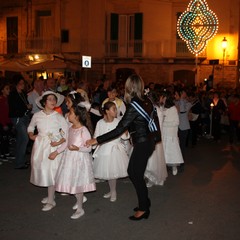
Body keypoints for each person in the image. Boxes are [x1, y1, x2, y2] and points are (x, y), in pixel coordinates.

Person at [86, 74, 156, 221]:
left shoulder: (134, 105)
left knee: (135, 173)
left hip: (143, 143)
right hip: (148, 141)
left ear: (129, 88)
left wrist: (97, 140)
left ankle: (144, 208)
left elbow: (119, 129)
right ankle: (145, 201)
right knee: (134, 172)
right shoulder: (146, 100)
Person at [52, 104, 96, 219]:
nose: (68, 114)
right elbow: (65, 143)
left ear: (77, 116)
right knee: (72, 182)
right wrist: (56, 152)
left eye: (70, 113)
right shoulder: (70, 128)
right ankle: (79, 201)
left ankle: (80, 208)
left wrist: (78, 148)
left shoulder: (84, 130)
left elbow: (89, 148)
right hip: (69, 159)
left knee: (78, 183)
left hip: (79, 160)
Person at [27, 91, 68, 211]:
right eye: (50, 99)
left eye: (54, 99)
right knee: (44, 170)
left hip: (53, 146)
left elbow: (65, 132)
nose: (53, 101)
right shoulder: (37, 115)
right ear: (44, 101)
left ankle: (51, 200)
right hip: (40, 147)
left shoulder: (58, 116)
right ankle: (51, 194)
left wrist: (59, 143)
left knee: (52, 171)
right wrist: (31, 135)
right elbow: (31, 126)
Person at [93, 101, 129, 202]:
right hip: (104, 149)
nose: (116, 111)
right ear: (107, 111)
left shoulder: (118, 122)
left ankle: (113, 191)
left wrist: (126, 132)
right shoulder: (100, 123)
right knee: (108, 173)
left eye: (116, 109)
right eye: (114, 109)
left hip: (115, 150)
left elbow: (124, 137)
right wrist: (93, 145)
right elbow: (96, 136)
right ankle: (111, 190)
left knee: (112, 173)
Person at [8, 75, 32, 169]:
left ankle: (19, 160)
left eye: (23, 83)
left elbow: (24, 104)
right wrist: (26, 107)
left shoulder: (22, 93)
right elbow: (14, 108)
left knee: (20, 139)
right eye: (20, 83)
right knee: (24, 139)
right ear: (16, 84)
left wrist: (27, 107)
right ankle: (19, 163)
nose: (22, 85)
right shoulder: (13, 94)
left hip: (24, 117)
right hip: (18, 118)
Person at [160, 90, 184, 175]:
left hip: (171, 133)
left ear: (165, 98)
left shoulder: (173, 108)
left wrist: (164, 123)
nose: (161, 99)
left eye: (162, 97)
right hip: (163, 133)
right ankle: (164, 167)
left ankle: (174, 166)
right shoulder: (161, 108)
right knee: (164, 151)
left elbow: (176, 122)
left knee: (172, 150)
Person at [0, 82, 15, 162]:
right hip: (3, 123)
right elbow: (1, 114)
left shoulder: (8, 99)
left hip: (8, 121)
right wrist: (3, 124)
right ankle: (3, 153)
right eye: (7, 89)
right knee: (3, 139)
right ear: (2, 90)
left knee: (7, 139)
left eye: (9, 89)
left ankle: (6, 152)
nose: (9, 90)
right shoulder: (1, 100)